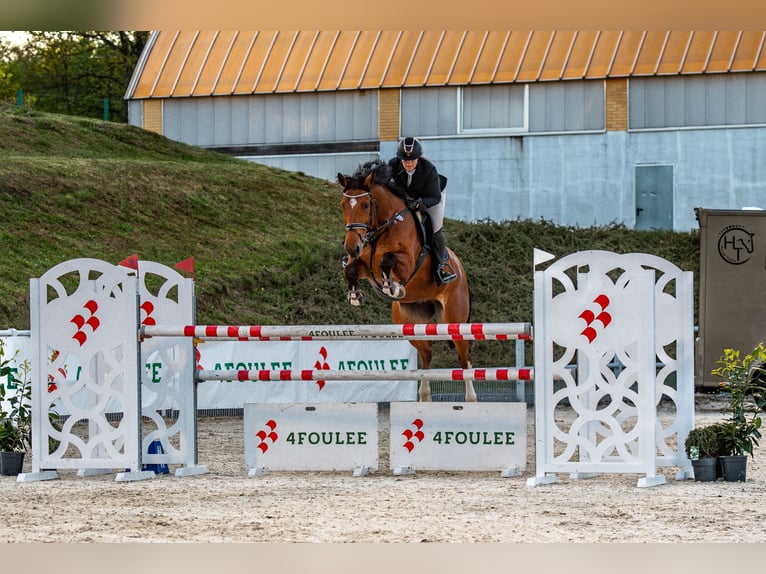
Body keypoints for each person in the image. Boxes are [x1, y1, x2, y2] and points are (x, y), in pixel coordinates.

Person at [387, 136, 457, 285]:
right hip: (407, 200)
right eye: (405, 161)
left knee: (435, 226)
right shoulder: (393, 166)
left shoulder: (429, 170)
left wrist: (419, 205)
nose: (409, 163)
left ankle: (441, 266)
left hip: (430, 197)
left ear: (418, 158)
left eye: (412, 160)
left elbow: (434, 197)